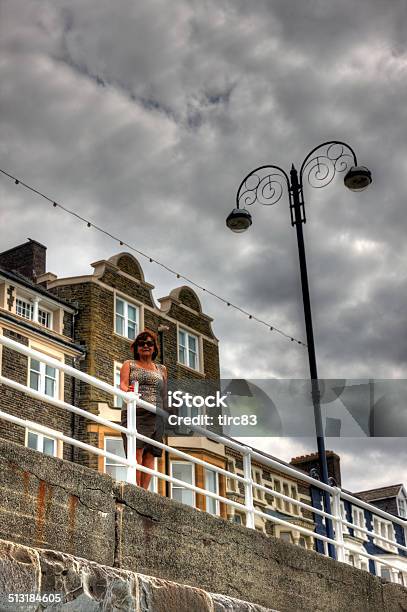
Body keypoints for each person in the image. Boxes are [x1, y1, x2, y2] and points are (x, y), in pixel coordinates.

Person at [120, 330, 167, 490]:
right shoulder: (129, 364)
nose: (145, 346)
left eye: (149, 343)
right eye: (141, 343)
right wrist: (130, 392)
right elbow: (123, 385)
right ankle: (136, 488)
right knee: (137, 449)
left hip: (157, 414)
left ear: (154, 348)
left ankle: (144, 490)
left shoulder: (161, 369)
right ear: (136, 347)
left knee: (151, 454)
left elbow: (164, 393)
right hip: (137, 411)